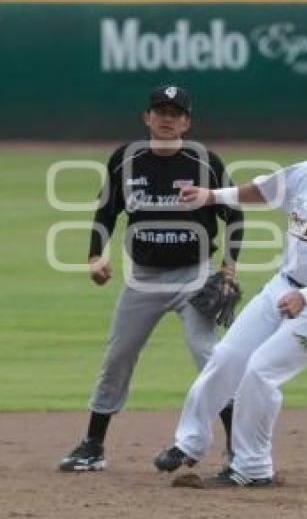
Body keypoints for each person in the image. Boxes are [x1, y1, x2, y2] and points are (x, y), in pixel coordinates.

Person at [152, 108, 307, 487]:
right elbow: (262, 190)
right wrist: (210, 196)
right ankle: (189, 443)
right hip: (283, 286)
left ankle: (251, 469)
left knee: (260, 372)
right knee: (227, 356)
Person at [58, 85, 243, 472]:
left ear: (187, 122)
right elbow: (106, 211)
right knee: (118, 356)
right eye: (160, 110)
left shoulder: (205, 161)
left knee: (209, 356)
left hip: (195, 275)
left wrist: (228, 268)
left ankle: (238, 449)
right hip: (143, 278)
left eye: (175, 113)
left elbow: (235, 215)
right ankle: (93, 445)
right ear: (147, 117)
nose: (167, 118)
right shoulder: (125, 159)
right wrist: (95, 255)